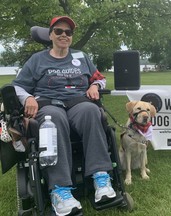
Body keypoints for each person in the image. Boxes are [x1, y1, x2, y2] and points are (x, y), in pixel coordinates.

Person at [12, 16, 116, 216]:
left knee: (91, 111)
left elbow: (100, 79)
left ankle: (101, 178)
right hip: (49, 104)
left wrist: (94, 85)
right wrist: (27, 99)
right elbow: (18, 86)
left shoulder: (82, 56)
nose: (63, 35)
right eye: (58, 31)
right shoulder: (37, 59)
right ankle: (60, 191)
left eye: (68, 32)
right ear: (50, 34)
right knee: (54, 120)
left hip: (78, 102)